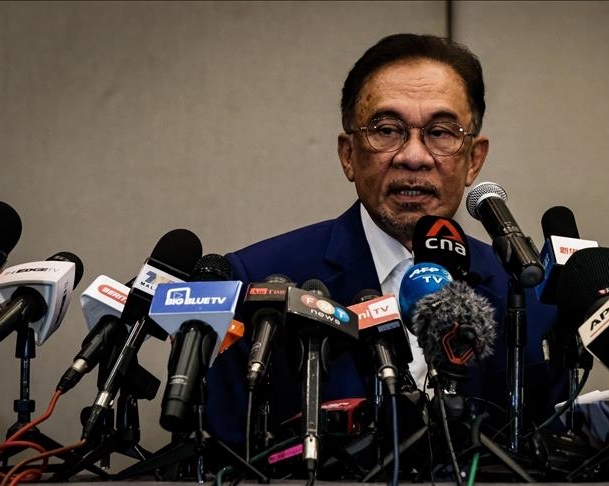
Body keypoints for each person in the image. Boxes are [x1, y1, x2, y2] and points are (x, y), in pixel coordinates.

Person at [205, 33, 561, 448]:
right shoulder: (258, 280)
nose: (414, 157)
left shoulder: (522, 291)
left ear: (473, 160)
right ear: (348, 155)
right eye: (387, 130)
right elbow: (226, 456)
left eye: (441, 132)